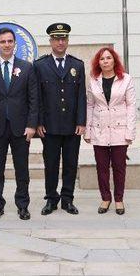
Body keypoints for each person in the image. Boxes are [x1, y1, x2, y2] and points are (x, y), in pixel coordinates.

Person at [0, 27, 38, 221]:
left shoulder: (27, 67)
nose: (6, 44)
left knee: (22, 168)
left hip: (21, 128)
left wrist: (32, 125)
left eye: (10, 41)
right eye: (3, 42)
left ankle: (23, 205)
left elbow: (33, 99)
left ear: (15, 44)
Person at [34, 23, 86, 216]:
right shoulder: (40, 65)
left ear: (67, 41)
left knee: (71, 164)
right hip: (50, 126)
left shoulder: (77, 64)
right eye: (56, 39)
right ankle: (51, 199)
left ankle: (68, 199)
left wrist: (81, 121)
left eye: (63, 38)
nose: (60, 42)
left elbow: (81, 96)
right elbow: (37, 97)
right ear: (50, 41)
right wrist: (38, 122)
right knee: (51, 165)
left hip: (72, 126)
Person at [85, 47, 136, 215]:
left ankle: (119, 199)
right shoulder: (93, 79)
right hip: (99, 129)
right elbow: (90, 105)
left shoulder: (126, 79)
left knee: (119, 167)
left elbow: (131, 106)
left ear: (114, 60)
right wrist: (88, 130)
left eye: (108, 58)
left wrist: (130, 131)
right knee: (102, 167)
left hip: (120, 130)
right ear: (98, 62)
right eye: (102, 59)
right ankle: (105, 198)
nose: (105, 61)